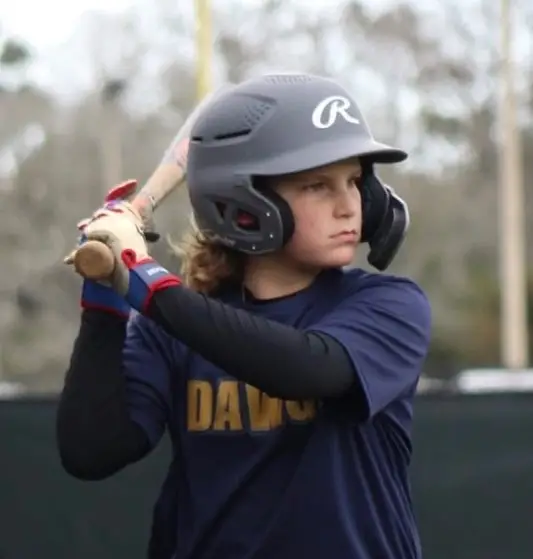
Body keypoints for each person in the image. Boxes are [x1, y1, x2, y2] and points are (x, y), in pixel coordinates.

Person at [57, 73, 432, 559]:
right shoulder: (171, 326)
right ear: (243, 204)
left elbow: (307, 369)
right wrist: (105, 302)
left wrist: (140, 275)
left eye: (355, 181)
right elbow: (91, 451)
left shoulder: (389, 305)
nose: (349, 206)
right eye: (318, 186)